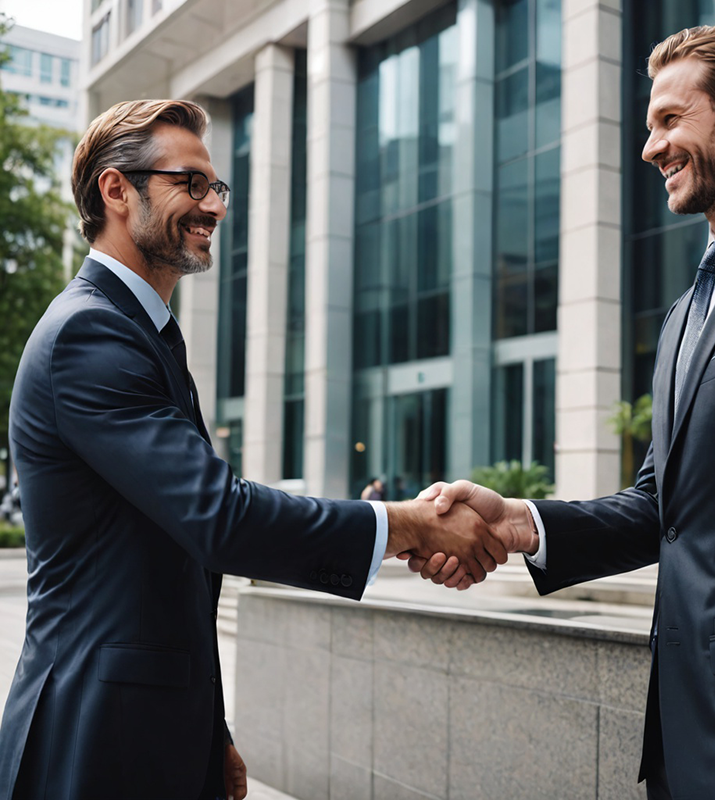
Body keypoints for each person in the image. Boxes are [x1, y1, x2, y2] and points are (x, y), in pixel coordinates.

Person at [0, 99, 508, 800]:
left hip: (146, 731)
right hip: (92, 742)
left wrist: (213, 732)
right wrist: (410, 525)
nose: (214, 206)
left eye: (218, 188)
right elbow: (220, 520)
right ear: (117, 190)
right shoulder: (92, 336)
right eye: (191, 183)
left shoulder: (139, 333)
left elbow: (172, 562)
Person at [411, 22, 715, 800]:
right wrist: (520, 521)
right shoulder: (688, 308)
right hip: (685, 736)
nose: (651, 147)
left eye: (669, 120)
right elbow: (663, 506)